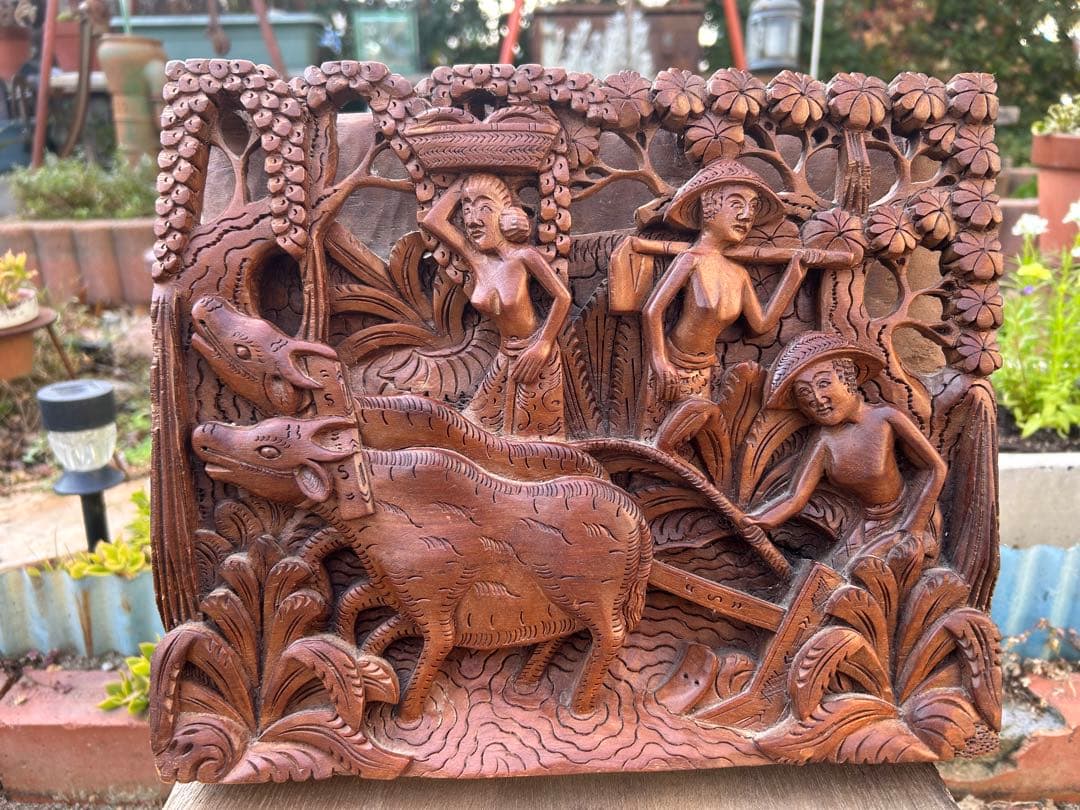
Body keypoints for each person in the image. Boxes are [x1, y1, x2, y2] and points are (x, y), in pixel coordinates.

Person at [617, 160, 850, 447]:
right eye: (736, 203)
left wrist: (794, 276)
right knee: (657, 439)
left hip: (705, 370)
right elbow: (653, 309)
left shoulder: (738, 273)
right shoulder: (690, 260)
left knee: (690, 438)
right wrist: (659, 360)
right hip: (673, 365)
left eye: (752, 207)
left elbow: (761, 325)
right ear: (709, 209)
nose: (746, 215)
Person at [745, 332, 946, 563]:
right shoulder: (824, 442)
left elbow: (935, 467)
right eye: (804, 393)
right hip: (871, 523)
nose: (817, 399)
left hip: (914, 514)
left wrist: (915, 527)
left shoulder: (885, 418)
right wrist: (759, 520)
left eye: (823, 383)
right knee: (832, 572)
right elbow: (794, 498)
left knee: (874, 569)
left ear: (847, 379)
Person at [420, 174, 571, 439]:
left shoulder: (524, 256)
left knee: (533, 442)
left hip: (535, 358)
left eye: (484, 209)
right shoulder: (476, 259)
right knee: (473, 432)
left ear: (505, 215)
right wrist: (464, 180)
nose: (472, 220)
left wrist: (543, 344)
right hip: (505, 356)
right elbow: (433, 220)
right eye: (467, 210)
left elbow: (563, 297)